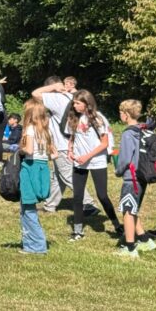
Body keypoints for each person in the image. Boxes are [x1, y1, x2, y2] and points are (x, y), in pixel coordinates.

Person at [34, 77, 97, 215]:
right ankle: (50, 206)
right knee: (58, 177)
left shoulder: (57, 98)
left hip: (62, 145)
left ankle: (89, 204)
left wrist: (53, 87)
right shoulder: (71, 97)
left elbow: (35, 93)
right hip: (70, 143)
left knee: (68, 176)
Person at [66, 90, 122, 242]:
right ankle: (78, 231)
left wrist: (87, 156)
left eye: (78, 103)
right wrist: (70, 150)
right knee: (78, 196)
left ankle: (117, 225)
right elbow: (72, 136)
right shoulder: (73, 117)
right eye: (74, 103)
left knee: (102, 195)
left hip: (97, 161)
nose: (74, 105)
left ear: (87, 103)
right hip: (79, 162)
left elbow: (104, 143)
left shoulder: (97, 118)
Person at [115, 101, 156, 258]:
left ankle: (130, 248)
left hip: (131, 178)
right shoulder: (143, 129)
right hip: (142, 176)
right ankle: (145, 241)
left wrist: (118, 170)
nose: (120, 115)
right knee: (132, 209)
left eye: (121, 112)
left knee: (127, 211)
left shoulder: (128, 133)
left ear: (126, 114)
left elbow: (125, 158)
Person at [17, 99, 57, 255]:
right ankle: (31, 243)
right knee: (29, 208)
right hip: (42, 168)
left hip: (30, 167)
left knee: (27, 209)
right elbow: (55, 154)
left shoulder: (29, 130)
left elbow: (29, 150)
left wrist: (19, 149)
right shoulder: (47, 132)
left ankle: (37, 246)